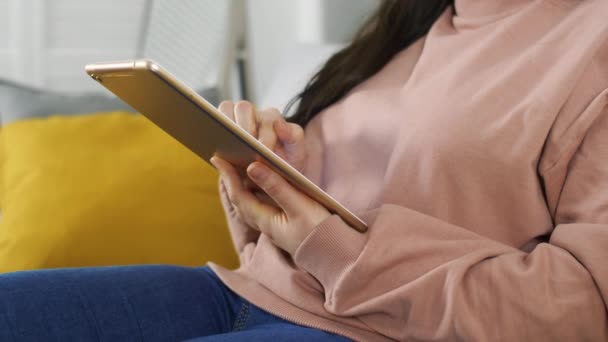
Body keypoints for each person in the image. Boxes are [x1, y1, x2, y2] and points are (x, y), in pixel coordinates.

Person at [1, 0, 607, 340]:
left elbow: (584, 309)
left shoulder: (591, 40)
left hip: (375, 334)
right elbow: (308, 226)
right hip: (246, 290)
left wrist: (329, 245)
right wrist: (264, 179)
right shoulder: (408, 27)